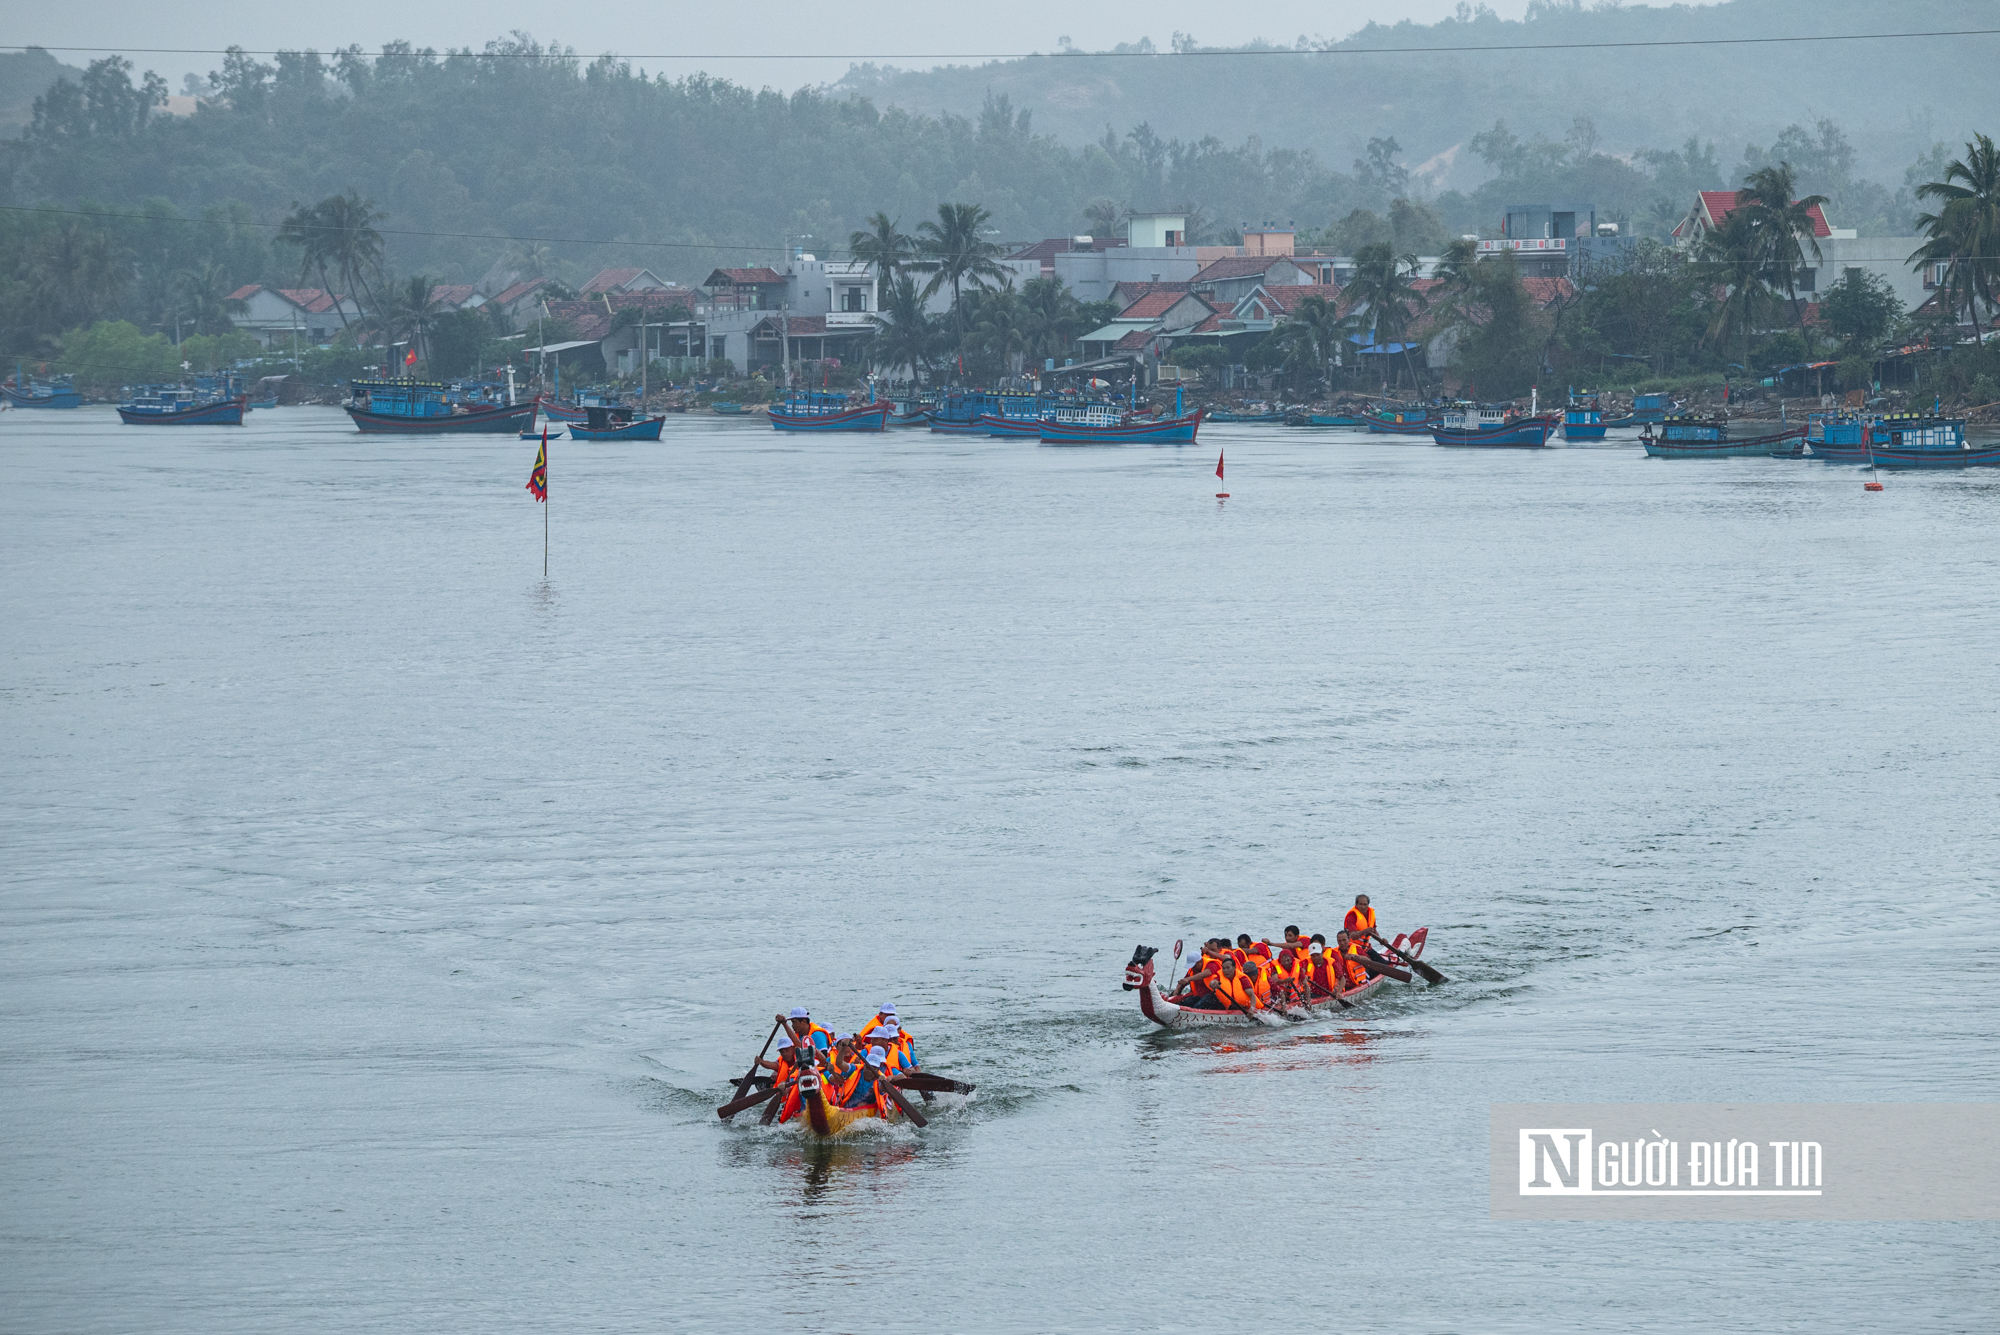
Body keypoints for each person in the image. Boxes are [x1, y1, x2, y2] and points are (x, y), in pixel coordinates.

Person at [1344, 896, 1385, 960]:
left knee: (1383, 963)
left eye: (1365, 904)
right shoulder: (1352, 916)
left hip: (1366, 948)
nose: (1363, 907)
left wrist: (1381, 940)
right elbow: (1353, 936)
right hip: (1353, 948)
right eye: (1360, 904)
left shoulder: (1371, 914)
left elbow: (1374, 931)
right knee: (1370, 964)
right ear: (1356, 904)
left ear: (1368, 905)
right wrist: (1364, 931)